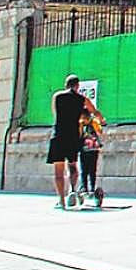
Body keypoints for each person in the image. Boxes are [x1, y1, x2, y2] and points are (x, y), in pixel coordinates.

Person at [47, 75, 102, 209]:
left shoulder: (57, 96)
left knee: (58, 171)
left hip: (58, 135)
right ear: (77, 86)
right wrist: (100, 119)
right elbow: (94, 112)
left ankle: (61, 200)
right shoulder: (82, 99)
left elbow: (55, 113)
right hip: (72, 136)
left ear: (66, 85)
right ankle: (72, 190)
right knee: (72, 165)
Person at [78, 102, 107, 198]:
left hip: (86, 149)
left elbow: (79, 134)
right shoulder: (92, 122)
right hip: (92, 149)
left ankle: (86, 188)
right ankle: (89, 188)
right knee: (90, 169)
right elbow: (100, 131)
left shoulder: (83, 123)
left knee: (85, 169)